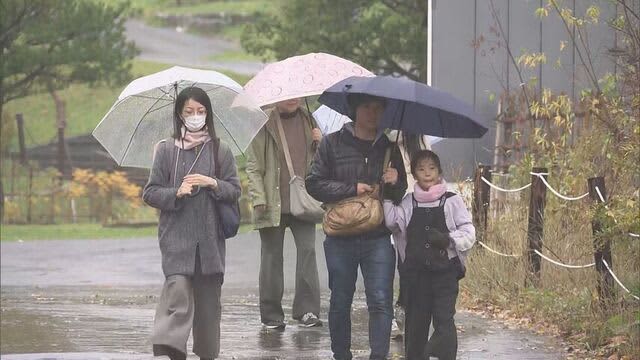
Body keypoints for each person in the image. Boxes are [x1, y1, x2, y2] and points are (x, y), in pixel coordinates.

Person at [306, 93, 408, 360]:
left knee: (381, 300)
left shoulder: (389, 147)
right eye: (367, 107)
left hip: (378, 237)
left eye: (378, 108)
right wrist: (351, 188)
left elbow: (398, 195)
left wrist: (395, 180)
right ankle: (341, 355)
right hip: (340, 236)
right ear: (354, 109)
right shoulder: (331, 144)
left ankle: (379, 356)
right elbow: (313, 183)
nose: (373, 113)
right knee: (340, 300)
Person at [143, 87, 241, 360]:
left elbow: (234, 190)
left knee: (208, 310)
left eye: (201, 111)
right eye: (189, 111)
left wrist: (212, 183)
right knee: (178, 300)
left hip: (210, 244)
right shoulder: (165, 150)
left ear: (208, 114)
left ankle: (207, 354)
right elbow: (150, 193)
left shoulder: (221, 150)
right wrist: (176, 192)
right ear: (179, 114)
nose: (195, 116)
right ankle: (171, 351)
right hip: (176, 241)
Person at [383, 150, 475, 360]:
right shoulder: (408, 202)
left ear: (439, 172)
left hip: (445, 274)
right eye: (421, 169)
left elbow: (469, 232)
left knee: (444, 321)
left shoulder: (452, 201)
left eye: (432, 168)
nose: (427, 173)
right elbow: (392, 223)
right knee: (415, 325)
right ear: (414, 174)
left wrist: (449, 240)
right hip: (416, 276)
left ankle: (438, 352)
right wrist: (388, 193)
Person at [245, 98, 323, 329]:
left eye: (296, 95)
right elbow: (253, 165)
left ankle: (307, 311)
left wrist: (321, 143)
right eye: (286, 96)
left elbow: (322, 163)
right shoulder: (262, 123)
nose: (292, 100)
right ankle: (271, 315)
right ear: (276, 97)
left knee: (308, 252)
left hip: (303, 201)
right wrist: (259, 198)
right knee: (271, 259)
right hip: (271, 202)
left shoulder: (310, 120)